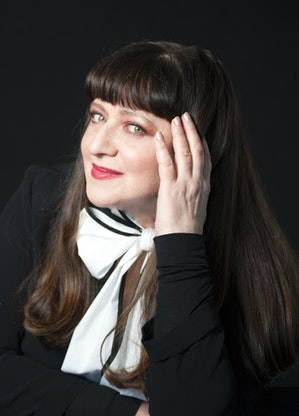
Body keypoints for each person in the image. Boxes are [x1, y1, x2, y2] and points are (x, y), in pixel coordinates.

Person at [0, 40, 298, 416]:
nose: (97, 145)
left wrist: (181, 241)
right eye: (98, 116)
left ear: (196, 148)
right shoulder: (40, 199)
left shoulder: (244, 265)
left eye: (134, 127)